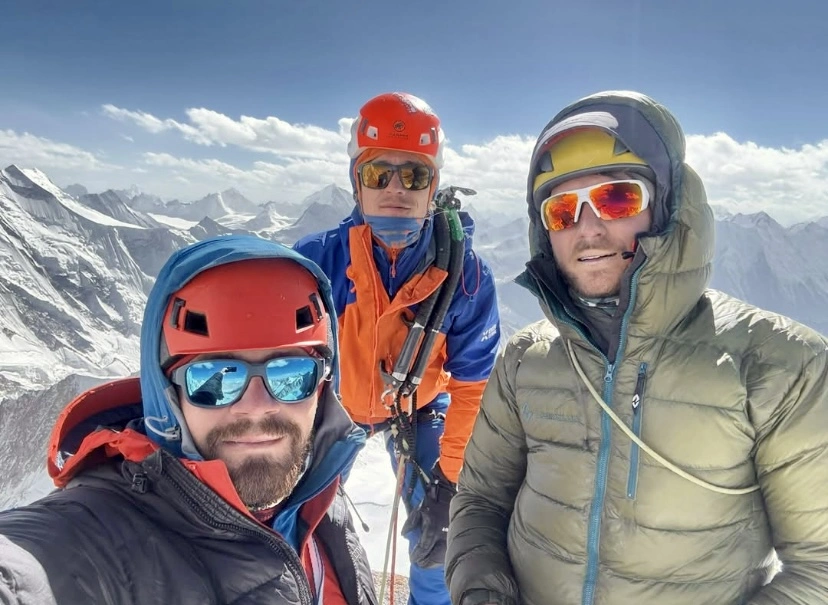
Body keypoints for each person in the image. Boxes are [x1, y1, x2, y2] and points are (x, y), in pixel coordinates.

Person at [446, 90, 828, 605]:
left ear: (669, 205)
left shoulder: (779, 365)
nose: (588, 228)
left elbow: (818, 567)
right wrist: (481, 593)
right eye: (561, 211)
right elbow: (480, 501)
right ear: (544, 231)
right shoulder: (524, 360)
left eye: (617, 198)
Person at [0, 234, 378, 605]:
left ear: (323, 386)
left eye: (291, 376)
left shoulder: (320, 494)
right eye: (215, 379)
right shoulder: (97, 536)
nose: (257, 406)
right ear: (169, 396)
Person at [295, 92, 500, 605]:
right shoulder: (314, 264)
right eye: (377, 174)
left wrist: (450, 485)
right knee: (297, 521)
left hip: (420, 407)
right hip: (333, 409)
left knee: (440, 540)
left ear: (434, 187)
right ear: (356, 182)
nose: (395, 189)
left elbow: (473, 386)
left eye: (413, 175)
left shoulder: (465, 277)